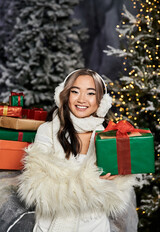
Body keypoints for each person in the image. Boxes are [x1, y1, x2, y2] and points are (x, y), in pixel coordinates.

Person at [18, 68, 138, 232]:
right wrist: (95, 182)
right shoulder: (47, 131)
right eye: (75, 91)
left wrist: (117, 180)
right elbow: (37, 187)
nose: (82, 99)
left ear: (101, 101)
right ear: (65, 95)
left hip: (95, 226)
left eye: (90, 93)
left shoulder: (106, 136)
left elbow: (119, 197)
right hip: (51, 226)